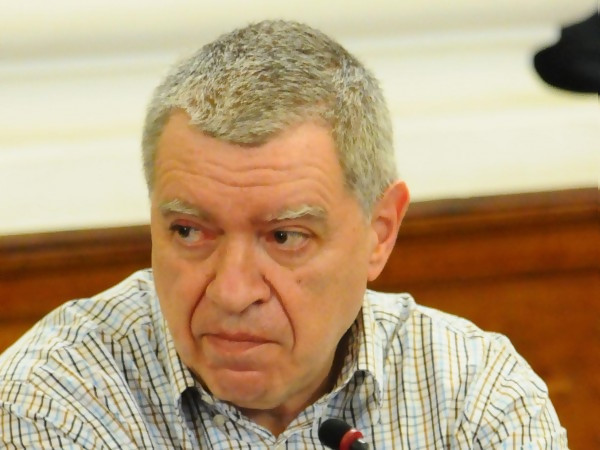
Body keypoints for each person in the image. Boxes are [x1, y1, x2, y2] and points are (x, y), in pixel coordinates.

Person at [0, 20, 567, 449]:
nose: (232, 292)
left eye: (284, 238)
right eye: (189, 231)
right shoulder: (54, 401)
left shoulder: (473, 396)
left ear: (379, 233)